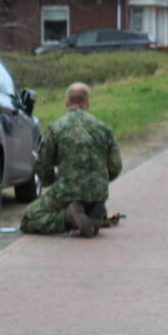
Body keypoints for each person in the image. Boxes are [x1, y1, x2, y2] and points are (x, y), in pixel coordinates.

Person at [20, 82, 122, 238]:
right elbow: (115, 167)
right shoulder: (104, 129)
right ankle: (95, 212)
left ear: (67, 104)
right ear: (87, 104)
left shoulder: (56, 128)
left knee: (29, 217)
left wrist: (51, 181)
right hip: (98, 191)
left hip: (68, 190)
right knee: (90, 199)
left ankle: (68, 218)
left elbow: (43, 165)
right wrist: (98, 181)